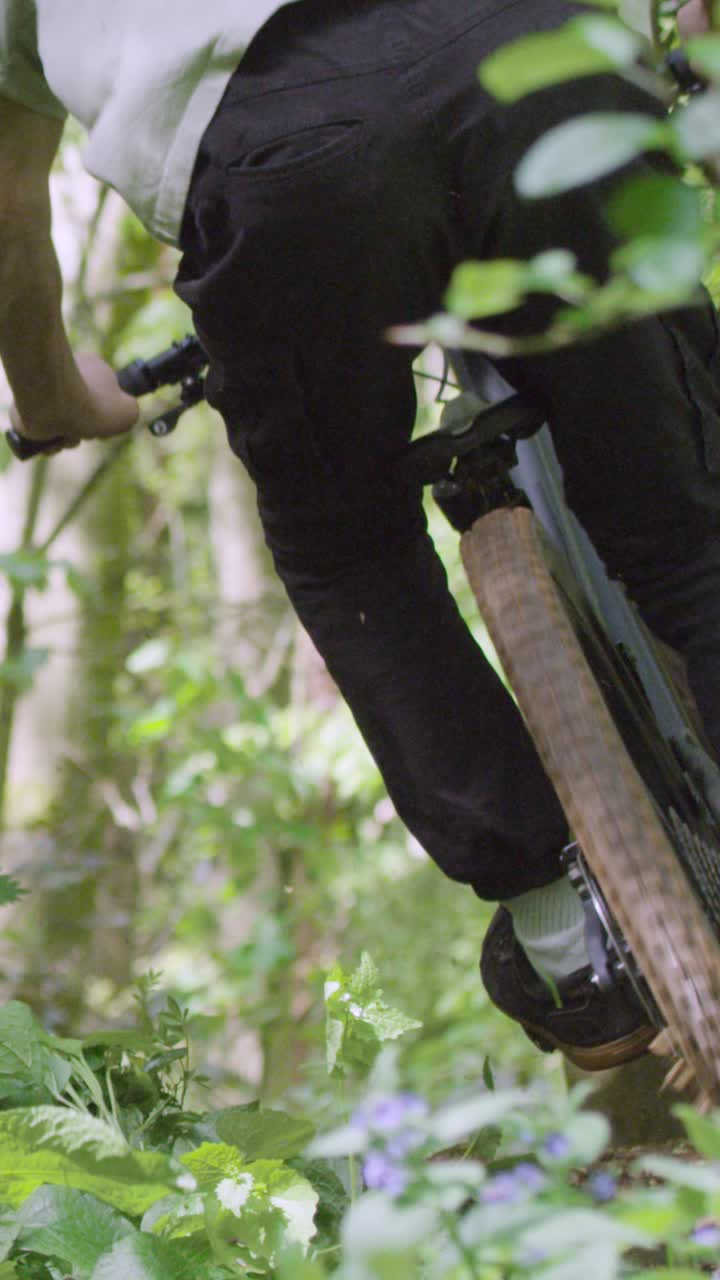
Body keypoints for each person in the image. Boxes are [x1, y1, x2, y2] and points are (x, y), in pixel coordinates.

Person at [2, 0, 720, 1071]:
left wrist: (56, 396)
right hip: (534, 52)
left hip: (292, 156)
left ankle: (566, 944)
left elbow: (11, 203)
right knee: (687, 525)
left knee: (348, 545)